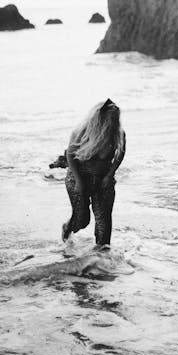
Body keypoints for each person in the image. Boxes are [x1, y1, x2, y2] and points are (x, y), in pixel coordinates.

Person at [62, 98, 126, 246]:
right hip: (78, 177)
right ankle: (67, 227)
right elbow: (70, 155)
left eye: (116, 119)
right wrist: (79, 181)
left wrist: (110, 175)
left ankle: (102, 258)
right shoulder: (82, 132)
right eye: (111, 119)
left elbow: (120, 153)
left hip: (103, 179)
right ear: (100, 119)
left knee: (103, 221)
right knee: (81, 220)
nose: (114, 123)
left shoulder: (118, 133)